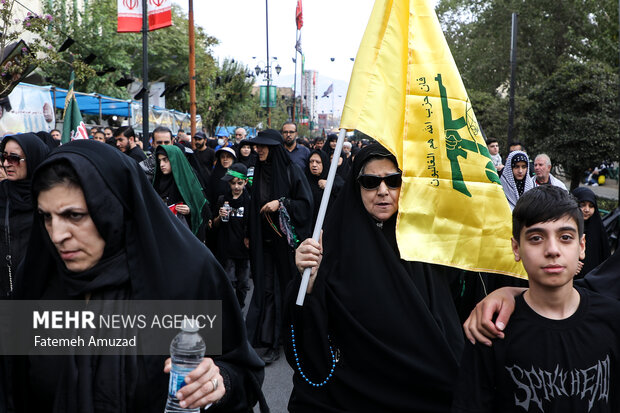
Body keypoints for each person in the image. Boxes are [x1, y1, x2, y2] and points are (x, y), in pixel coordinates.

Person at [11, 140, 266, 412]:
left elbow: (243, 371)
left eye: (74, 215)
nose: (57, 234)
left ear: (114, 207)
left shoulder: (186, 275)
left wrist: (217, 381)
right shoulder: (36, 279)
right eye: (46, 217)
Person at [287, 143, 465, 412]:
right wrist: (308, 286)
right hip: (351, 395)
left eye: (393, 181)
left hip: (421, 392)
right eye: (371, 182)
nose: (383, 191)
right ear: (356, 187)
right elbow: (307, 337)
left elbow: (454, 311)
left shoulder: (426, 243)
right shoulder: (331, 247)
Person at [452, 185, 620, 412]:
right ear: (516, 248)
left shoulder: (611, 318)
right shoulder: (492, 330)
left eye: (566, 237)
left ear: (581, 246)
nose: (552, 249)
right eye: (536, 238)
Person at [246, 129, 313, 365]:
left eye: (264, 146)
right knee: (266, 289)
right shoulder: (258, 171)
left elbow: (306, 205)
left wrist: (281, 203)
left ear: (274, 149)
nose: (259, 150)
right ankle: (265, 339)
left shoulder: (291, 171)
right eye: (257, 146)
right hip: (263, 244)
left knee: (283, 289)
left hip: (285, 247)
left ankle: (281, 339)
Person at [0, 133, 50, 297]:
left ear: (33, 158)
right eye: (4, 157)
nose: (6, 164)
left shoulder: (51, 198)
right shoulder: (2, 193)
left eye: (14, 158)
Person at [213, 163, 251, 310]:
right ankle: (229, 309)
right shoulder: (223, 199)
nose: (236, 187)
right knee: (228, 281)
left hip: (243, 249)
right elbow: (214, 225)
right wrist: (219, 216)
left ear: (245, 182)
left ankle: (240, 307)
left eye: (239, 183)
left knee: (243, 283)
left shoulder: (249, 201)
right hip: (227, 247)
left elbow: (253, 224)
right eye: (233, 183)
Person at [153, 144, 209, 242]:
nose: (162, 164)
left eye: (165, 160)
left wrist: (190, 210)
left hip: (184, 237)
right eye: (160, 160)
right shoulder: (158, 181)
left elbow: (203, 209)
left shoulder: (188, 180)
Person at [572, 187, 610, 277]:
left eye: (591, 206)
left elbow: (605, 259)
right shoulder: (565, 227)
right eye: (582, 205)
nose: (587, 209)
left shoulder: (598, 229)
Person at [305, 149, 343, 226]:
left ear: (324, 163)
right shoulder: (304, 179)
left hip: (329, 225)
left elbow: (343, 191)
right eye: (311, 161)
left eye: (318, 162)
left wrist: (330, 185)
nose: (314, 165)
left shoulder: (333, 178)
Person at [207, 147, 236, 213]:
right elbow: (210, 195)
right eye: (222, 157)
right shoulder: (214, 174)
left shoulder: (238, 174)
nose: (225, 159)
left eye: (228, 156)